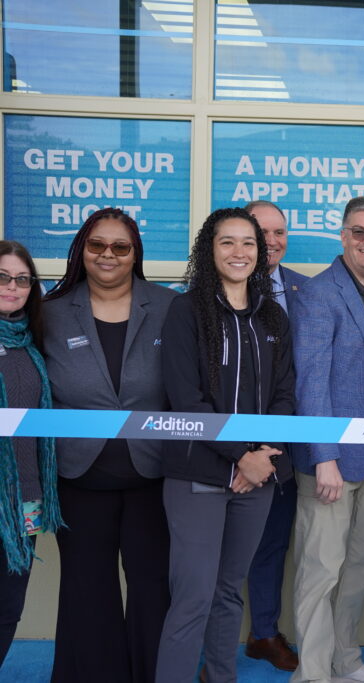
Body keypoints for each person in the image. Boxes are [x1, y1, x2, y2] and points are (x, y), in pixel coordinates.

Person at [155, 207, 295, 683]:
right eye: (227, 242)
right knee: (193, 596)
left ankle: (220, 677)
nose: (239, 252)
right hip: (198, 473)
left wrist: (261, 458)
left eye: (248, 242)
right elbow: (186, 398)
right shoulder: (185, 310)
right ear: (209, 250)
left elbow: (284, 396)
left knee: (230, 592)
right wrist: (241, 455)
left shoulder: (273, 316)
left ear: (261, 251)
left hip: (257, 477)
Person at [43, 207, 176, 683]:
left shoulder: (168, 306)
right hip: (78, 475)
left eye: (121, 247)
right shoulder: (51, 312)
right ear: (82, 249)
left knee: (151, 588)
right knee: (87, 589)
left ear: (135, 254)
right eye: (98, 245)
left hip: (153, 475)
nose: (108, 255)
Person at [290, 196, 364, 683]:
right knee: (321, 571)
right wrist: (324, 458)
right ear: (342, 236)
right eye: (359, 232)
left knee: (359, 564)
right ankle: (314, 674)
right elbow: (310, 381)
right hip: (332, 461)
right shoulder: (318, 294)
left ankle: (346, 662)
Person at [242, 200, 308, 672]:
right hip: (227, 446)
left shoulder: (307, 290)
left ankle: (263, 633)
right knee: (218, 553)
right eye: (260, 232)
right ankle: (212, 649)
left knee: (273, 544)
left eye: (280, 232)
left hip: (290, 446)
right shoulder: (209, 294)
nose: (272, 241)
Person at [0, 241, 62, 669]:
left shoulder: (35, 344)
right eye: (2, 277)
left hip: (25, 500)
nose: (13, 287)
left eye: (22, 279)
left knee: (8, 607)